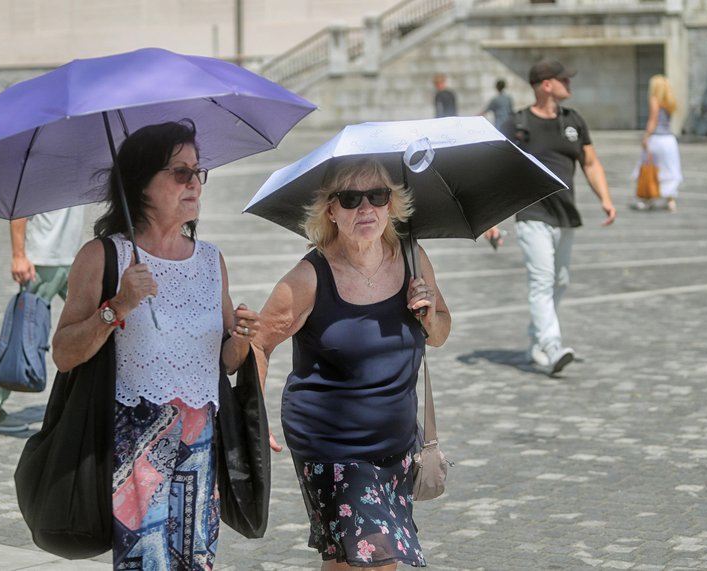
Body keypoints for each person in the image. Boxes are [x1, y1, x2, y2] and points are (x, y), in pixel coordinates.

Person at [52, 120, 258, 569]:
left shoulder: (210, 260)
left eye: (197, 171)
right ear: (141, 183)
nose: (193, 183)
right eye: (179, 172)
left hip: (201, 441)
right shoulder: (104, 256)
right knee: (147, 564)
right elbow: (64, 353)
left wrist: (241, 339)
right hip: (135, 444)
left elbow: (224, 360)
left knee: (195, 561)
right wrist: (118, 305)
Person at [251, 158, 451, 570]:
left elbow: (442, 332)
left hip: (395, 445)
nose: (366, 209)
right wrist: (253, 419)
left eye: (377, 196)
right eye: (350, 198)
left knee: (348, 560)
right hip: (331, 445)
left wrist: (428, 313)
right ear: (330, 210)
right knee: (378, 557)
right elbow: (259, 343)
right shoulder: (309, 277)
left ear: (391, 203)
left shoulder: (412, 258)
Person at [486, 59, 616, 376]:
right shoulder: (518, 124)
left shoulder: (573, 121)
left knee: (560, 281)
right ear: (546, 84)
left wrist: (606, 198)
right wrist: (491, 218)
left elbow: (591, 163)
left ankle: (536, 342)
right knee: (542, 280)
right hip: (532, 213)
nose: (569, 86)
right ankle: (552, 344)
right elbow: (494, 170)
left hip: (565, 214)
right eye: (564, 81)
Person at [0, 206, 86, 432]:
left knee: (89, 326)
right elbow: (20, 210)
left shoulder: (75, 169)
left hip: (72, 259)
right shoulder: (39, 171)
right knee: (22, 337)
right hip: (43, 260)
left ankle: (90, 400)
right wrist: (18, 256)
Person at [632, 74, 682, 212]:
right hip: (670, 140)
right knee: (670, 170)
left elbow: (652, 120)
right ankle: (670, 200)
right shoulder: (669, 101)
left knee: (648, 167)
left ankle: (648, 198)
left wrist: (646, 137)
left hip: (657, 139)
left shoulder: (654, 99)